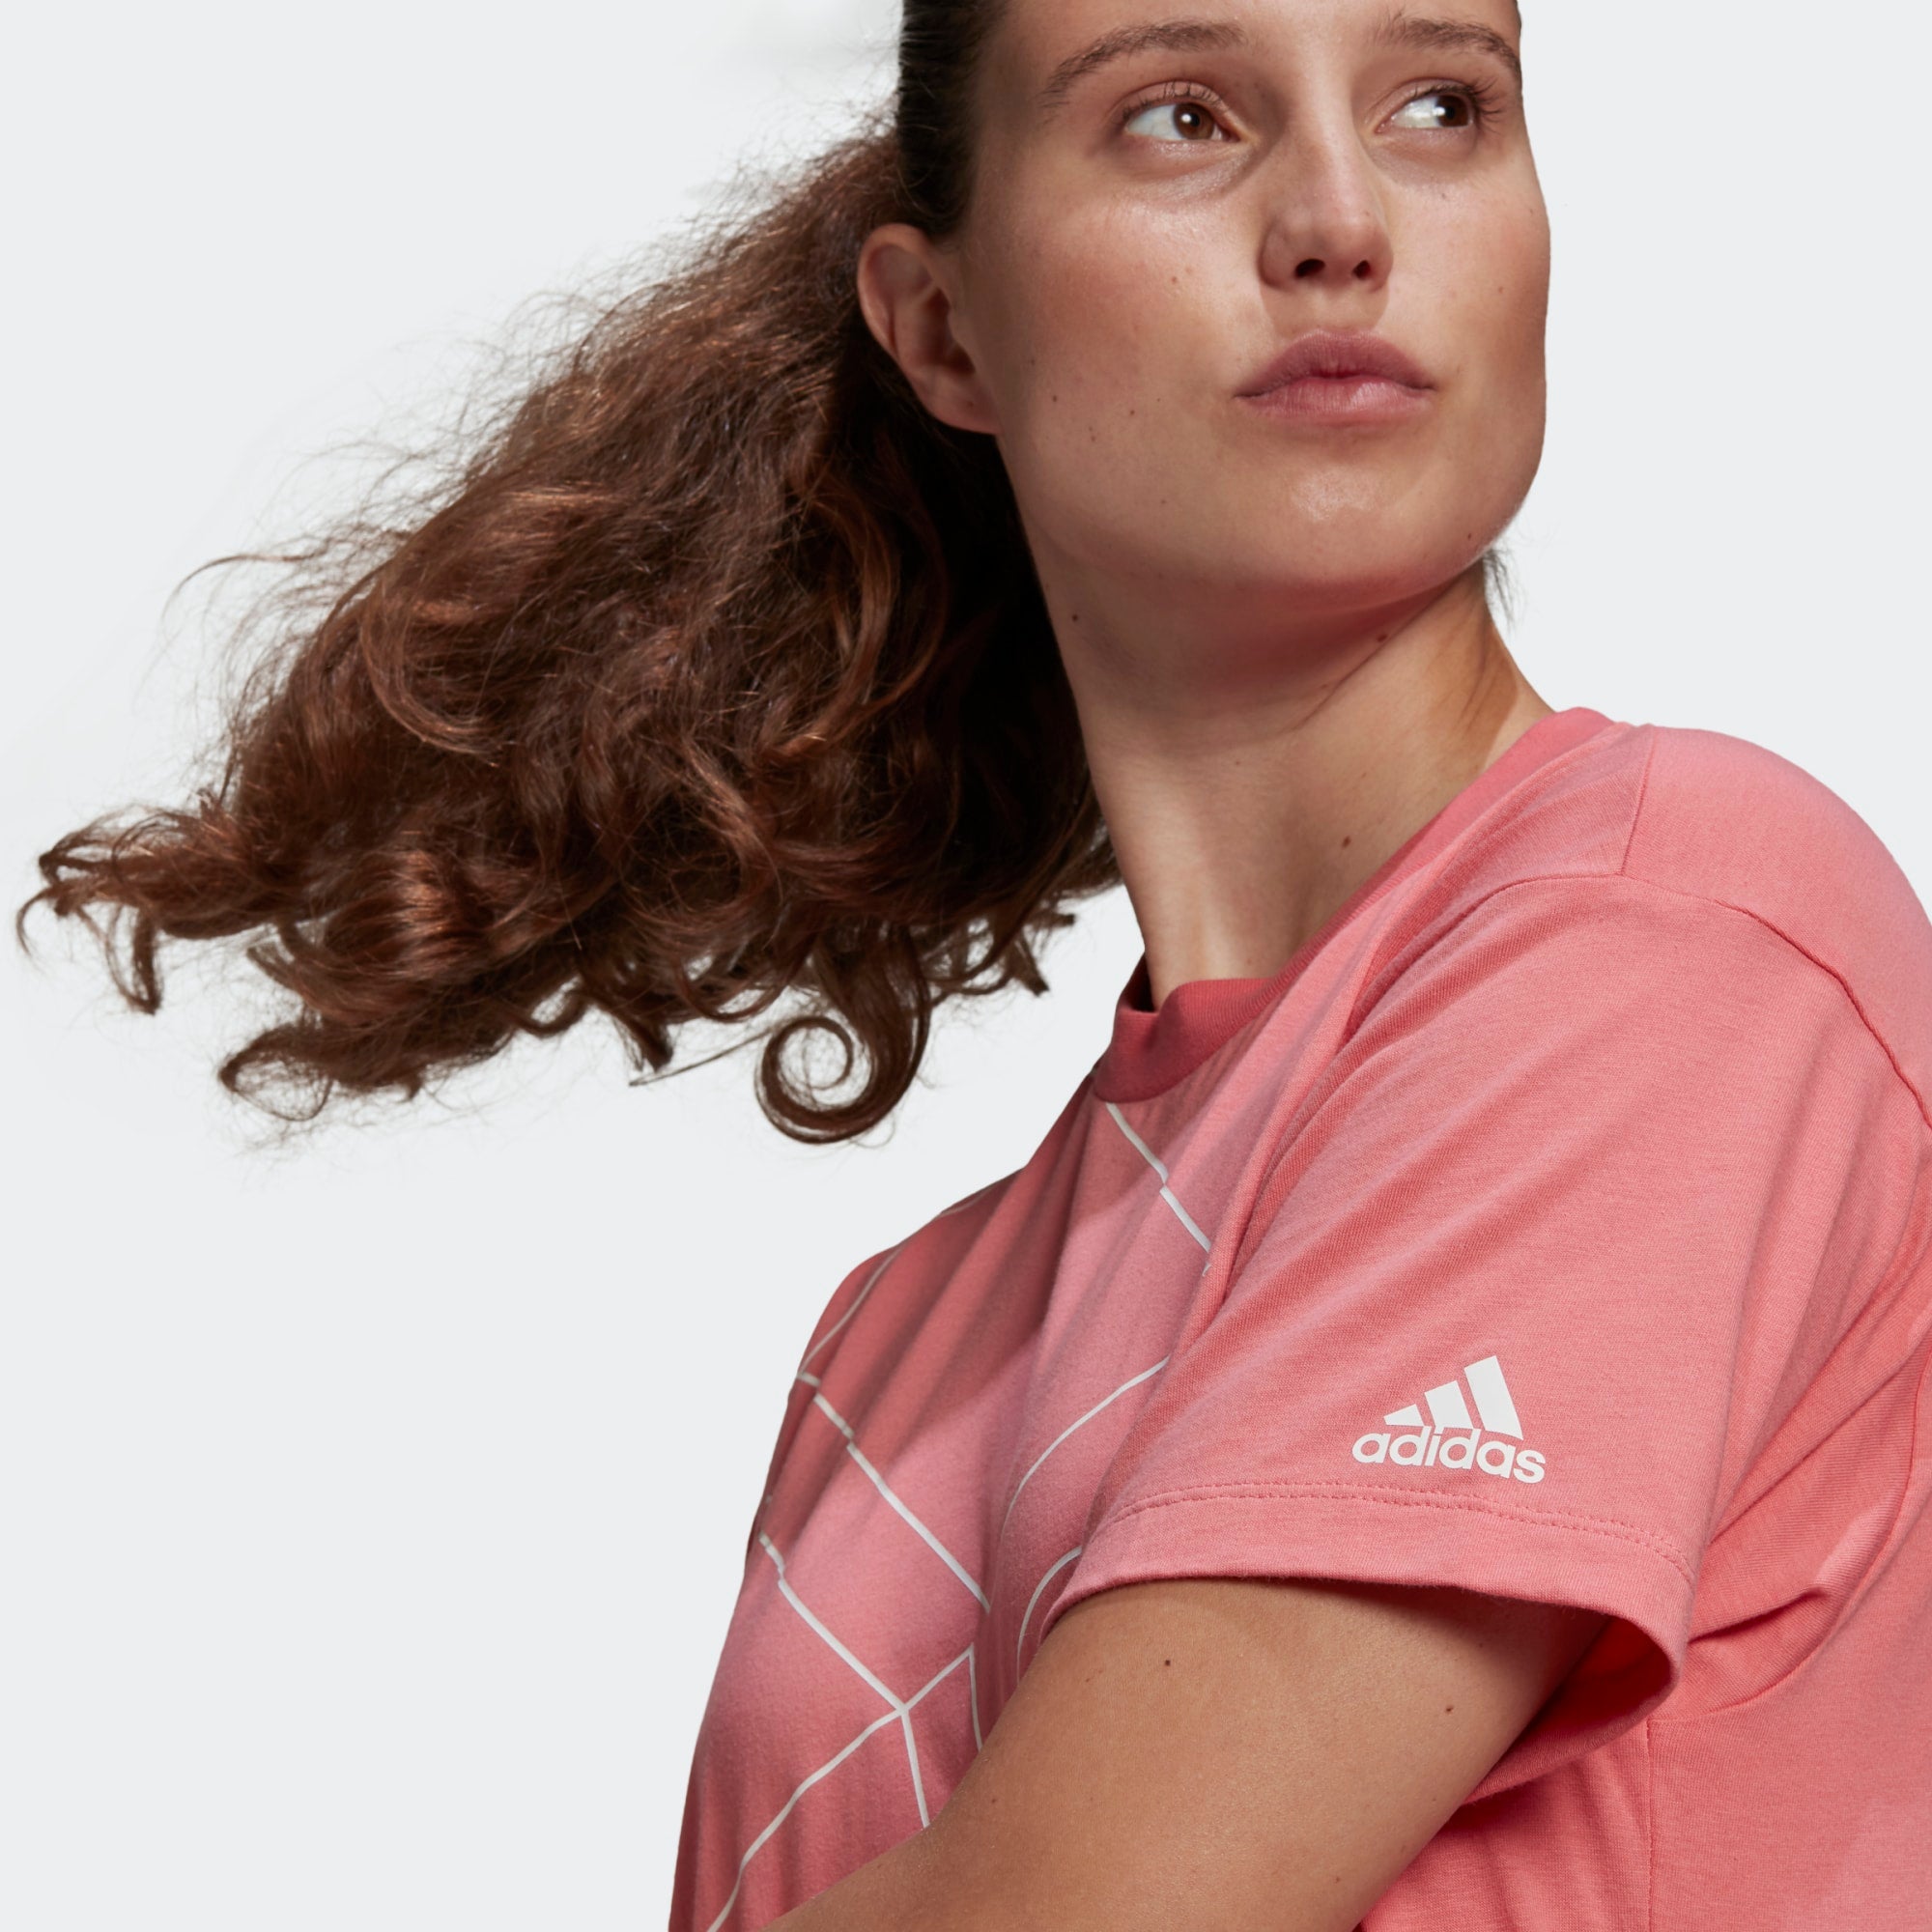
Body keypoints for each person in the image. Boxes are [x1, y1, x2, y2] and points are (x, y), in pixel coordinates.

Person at [17, 0, 1932, 1926]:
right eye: (1182, 118)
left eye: (1441, 104)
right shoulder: (903, 1346)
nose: (1344, 221)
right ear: (941, 328)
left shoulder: (1677, 939)